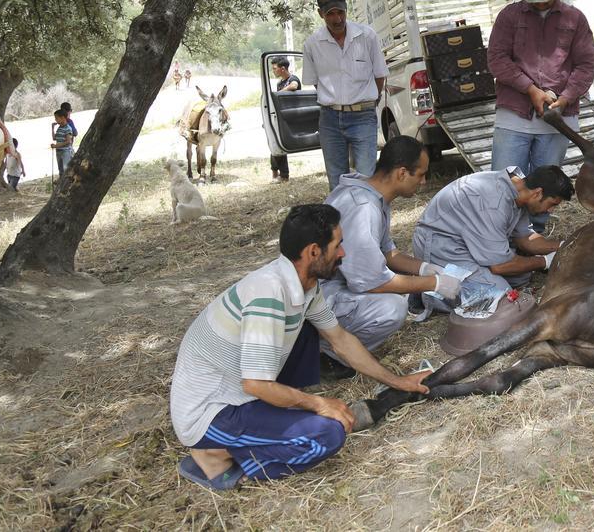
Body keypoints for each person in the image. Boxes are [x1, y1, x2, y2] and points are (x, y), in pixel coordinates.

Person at [169, 204, 431, 490]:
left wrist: (399, 381)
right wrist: (319, 404)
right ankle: (215, 454)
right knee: (328, 435)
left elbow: (340, 340)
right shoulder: (268, 295)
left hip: (240, 394)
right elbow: (256, 385)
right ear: (314, 252)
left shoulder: (303, 284)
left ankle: (260, 430)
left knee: (307, 332)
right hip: (212, 415)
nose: (342, 253)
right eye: (338, 245)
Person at [318, 137, 462, 373]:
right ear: (402, 173)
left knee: (399, 295)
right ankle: (331, 353)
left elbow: (388, 253)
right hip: (322, 295)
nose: (424, 182)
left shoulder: (373, 196)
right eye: (421, 175)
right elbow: (372, 283)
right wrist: (435, 283)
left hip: (334, 285)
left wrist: (425, 268)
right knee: (391, 308)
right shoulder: (363, 209)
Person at [487, 0, 594, 233]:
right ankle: (503, 237)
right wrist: (530, 89)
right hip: (514, 115)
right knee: (505, 181)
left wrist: (566, 97)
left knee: (544, 185)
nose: (539, 3)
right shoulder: (509, 17)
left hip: (558, 119)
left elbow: (585, 66)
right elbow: (496, 60)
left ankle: (535, 238)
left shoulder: (575, 18)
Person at [411, 165, 573, 310]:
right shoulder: (494, 202)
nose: (551, 211)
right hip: (441, 245)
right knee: (499, 297)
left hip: (467, 243)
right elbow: (500, 266)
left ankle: (469, 277)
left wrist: (565, 245)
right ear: (538, 193)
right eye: (552, 204)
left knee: (521, 276)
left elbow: (525, 238)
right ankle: (427, 293)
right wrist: (544, 262)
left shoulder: (519, 191)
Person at [302, 0, 388, 187]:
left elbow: (379, 75)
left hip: (363, 117)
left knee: (367, 179)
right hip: (329, 120)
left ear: (346, 9)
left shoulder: (367, 36)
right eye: (330, 13)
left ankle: (366, 218)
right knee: (336, 182)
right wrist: (335, 102)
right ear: (320, 14)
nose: (337, 19)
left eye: (340, 12)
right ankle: (341, 219)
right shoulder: (312, 44)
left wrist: (367, 102)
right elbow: (316, 82)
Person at [270, 57, 302, 182]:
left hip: (294, 117)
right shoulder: (279, 83)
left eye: (274, 68)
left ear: (282, 69)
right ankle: (275, 173)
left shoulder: (292, 79)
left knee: (278, 142)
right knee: (274, 142)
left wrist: (277, 94)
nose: (273, 71)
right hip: (283, 117)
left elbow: (294, 86)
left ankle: (283, 175)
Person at [50, 109, 76, 174]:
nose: (55, 120)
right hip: (59, 152)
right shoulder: (60, 128)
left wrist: (56, 146)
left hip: (65, 152)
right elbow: (54, 138)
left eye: (56, 118)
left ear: (62, 118)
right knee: (61, 170)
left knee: (66, 170)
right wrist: (52, 128)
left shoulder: (67, 128)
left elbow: (68, 141)